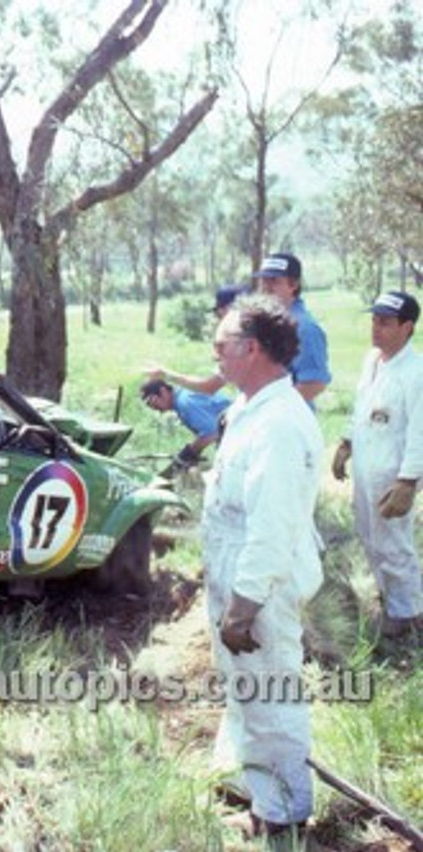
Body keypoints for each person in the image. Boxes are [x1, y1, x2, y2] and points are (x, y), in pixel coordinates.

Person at [202, 294, 323, 842]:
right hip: (236, 575)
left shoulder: (279, 423)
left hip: (261, 589)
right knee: (247, 692)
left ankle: (285, 815)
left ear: (251, 349)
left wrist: (243, 607)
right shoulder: (251, 409)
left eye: (222, 345)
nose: (215, 355)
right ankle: (261, 794)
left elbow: (272, 530)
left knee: (271, 696)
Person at [332, 291, 423, 640]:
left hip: (392, 472)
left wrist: (408, 481)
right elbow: (361, 406)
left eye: (385, 322)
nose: (376, 328)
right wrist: (345, 442)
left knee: (394, 544)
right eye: (374, 320)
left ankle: (409, 614)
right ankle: (391, 600)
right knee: (369, 536)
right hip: (366, 465)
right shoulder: (373, 360)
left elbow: (419, 432)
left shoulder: (415, 372)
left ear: (407, 327)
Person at [146, 253, 332, 407]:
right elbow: (214, 383)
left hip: (287, 426)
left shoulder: (305, 328)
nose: (266, 288)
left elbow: (314, 383)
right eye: (263, 281)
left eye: (274, 281)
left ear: (293, 285)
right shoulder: (261, 323)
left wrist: (272, 410)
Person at [139, 378, 231, 472]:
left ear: (163, 391)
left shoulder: (185, 403)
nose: (155, 408)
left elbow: (212, 432)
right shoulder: (183, 397)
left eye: (153, 402)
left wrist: (190, 451)